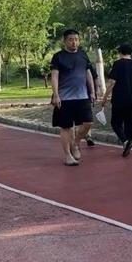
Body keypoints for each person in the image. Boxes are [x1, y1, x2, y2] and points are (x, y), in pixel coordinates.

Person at [50, 29, 97, 166]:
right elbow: (54, 76)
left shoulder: (83, 55)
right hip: (64, 98)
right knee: (66, 127)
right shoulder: (58, 57)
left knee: (88, 122)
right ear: (65, 41)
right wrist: (56, 95)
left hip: (82, 96)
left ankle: (75, 143)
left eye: (76, 39)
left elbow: (88, 74)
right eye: (71, 39)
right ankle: (68, 155)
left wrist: (92, 91)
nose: (74, 42)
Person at [101, 43, 132, 157]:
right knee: (130, 124)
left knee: (116, 122)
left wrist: (105, 97)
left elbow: (112, 82)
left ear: (120, 52)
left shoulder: (117, 64)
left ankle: (125, 141)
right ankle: (127, 143)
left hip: (120, 98)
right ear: (131, 53)